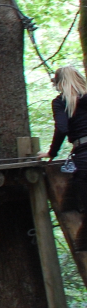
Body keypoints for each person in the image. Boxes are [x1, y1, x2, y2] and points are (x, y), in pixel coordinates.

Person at [45, 65, 87, 251]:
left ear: (59, 83)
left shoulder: (61, 102)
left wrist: (51, 153)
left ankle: (82, 245)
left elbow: (62, 129)